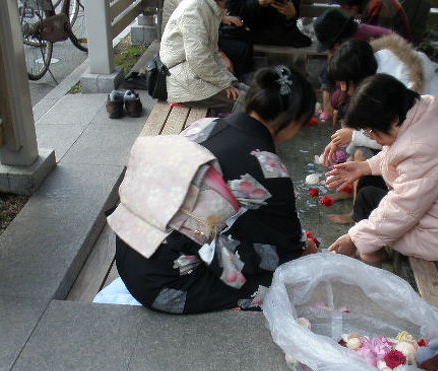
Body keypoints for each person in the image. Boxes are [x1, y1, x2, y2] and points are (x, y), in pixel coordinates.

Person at [113, 66, 318, 314]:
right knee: (286, 281)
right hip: (170, 287)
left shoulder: (206, 125)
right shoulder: (267, 166)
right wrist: (306, 249)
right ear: (294, 122)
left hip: (131, 257)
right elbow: (287, 251)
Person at [326, 74, 438, 264]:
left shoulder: (424, 148)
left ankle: (375, 259)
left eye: (371, 131)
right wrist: (364, 166)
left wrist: (355, 238)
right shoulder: (425, 109)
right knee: (369, 198)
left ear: (394, 120)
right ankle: (372, 252)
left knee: (371, 234)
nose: (372, 138)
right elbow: (400, 150)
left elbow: (403, 208)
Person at [160, 0, 241, 110]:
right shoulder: (194, 9)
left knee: (253, 94)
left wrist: (227, 80)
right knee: (252, 105)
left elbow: (209, 52)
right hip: (183, 81)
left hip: (197, 73)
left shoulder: (208, 7)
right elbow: (198, 58)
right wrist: (224, 83)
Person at [313, 9, 391, 122]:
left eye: (332, 47)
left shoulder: (368, 46)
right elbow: (330, 70)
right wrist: (327, 104)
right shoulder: (346, 43)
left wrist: (345, 108)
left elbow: (365, 87)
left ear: (338, 42)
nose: (331, 52)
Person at [227, 0, 312, 48]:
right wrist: (259, 3)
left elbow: (290, 20)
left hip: (279, 34)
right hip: (247, 32)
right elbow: (234, 12)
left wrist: (290, 15)